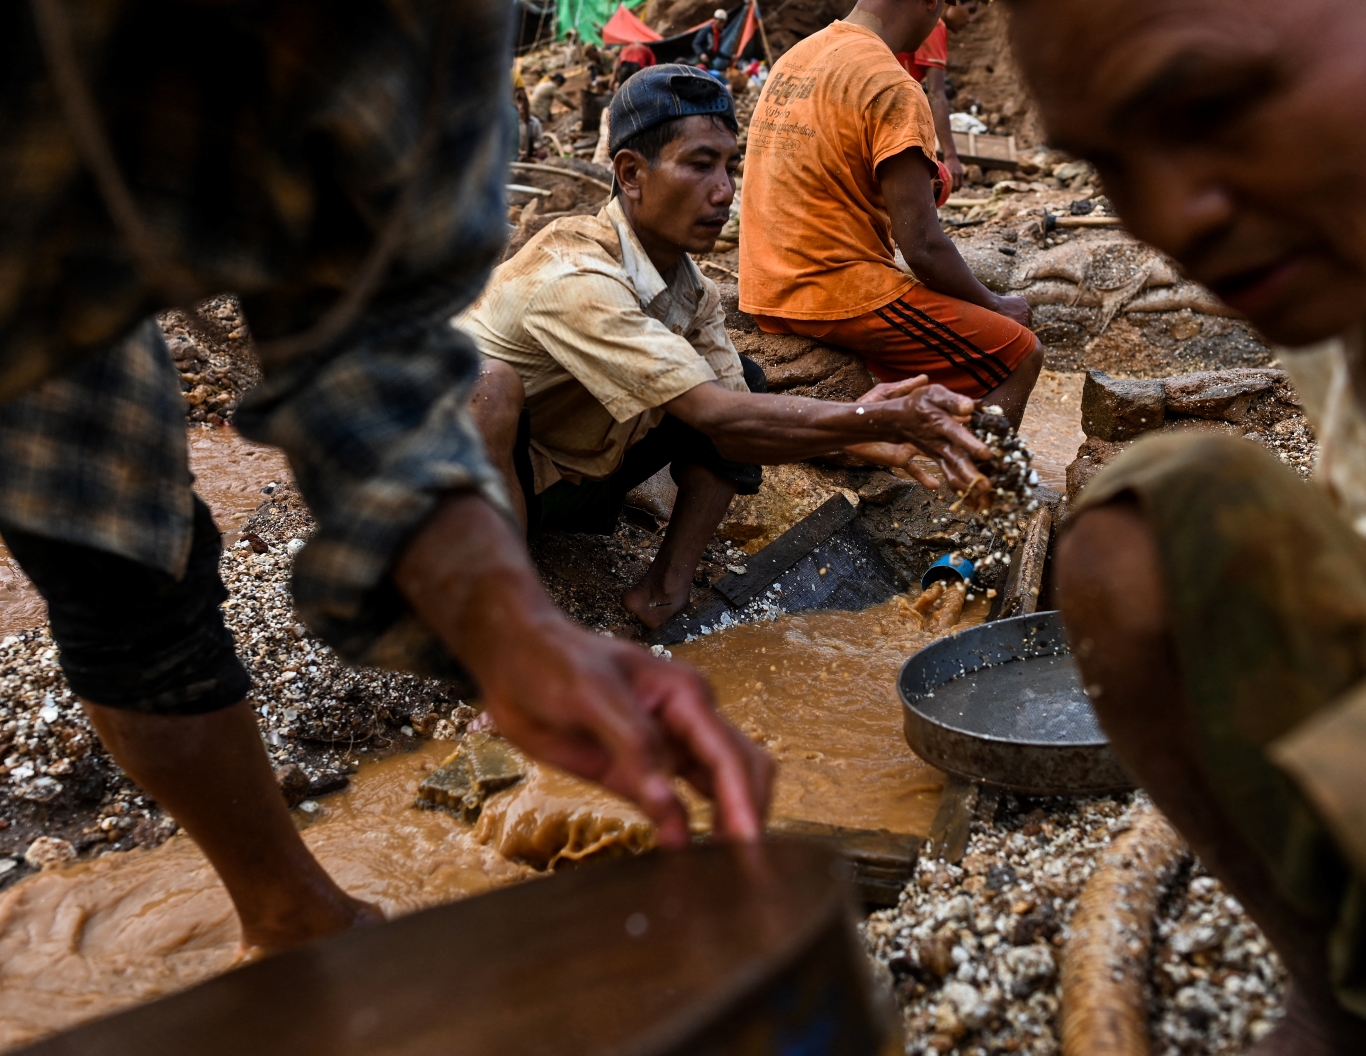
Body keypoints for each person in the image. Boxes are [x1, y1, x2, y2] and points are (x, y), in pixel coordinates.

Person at [2, 0, 768, 952]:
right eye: (705, 165)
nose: (724, 189)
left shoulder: (430, 50)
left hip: (71, 253)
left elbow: (360, 359)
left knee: (133, 564)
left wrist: (512, 631)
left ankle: (289, 915)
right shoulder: (569, 256)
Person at [1005, 0, 1366, 1056]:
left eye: (1213, 103)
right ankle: (1359, 1000)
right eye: (1109, 164)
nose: (1169, 221)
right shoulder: (1359, 257)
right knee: (1152, 521)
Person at [457, 66, 994, 631]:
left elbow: (735, 430)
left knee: (745, 379)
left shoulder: (691, 291)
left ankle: (663, 593)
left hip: (557, 487)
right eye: (698, 165)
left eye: (729, 166)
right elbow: (716, 413)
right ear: (631, 174)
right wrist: (876, 417)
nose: (724, 191)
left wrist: (861, 434)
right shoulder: (573, 273)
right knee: (485, 387)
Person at [738, 0, 1043, 427]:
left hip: (764, 286)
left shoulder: (799, 55)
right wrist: (996, 304)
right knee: (1020, 353)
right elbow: (922, 247)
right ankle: (984, 488)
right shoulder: (893, 85)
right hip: (831, 292)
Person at [895, 0, 981, 193]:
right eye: (970, 10)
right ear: (953, 3)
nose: (971, 19)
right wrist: (951, 157)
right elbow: (936, 94)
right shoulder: (934, 26)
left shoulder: (912, 19)